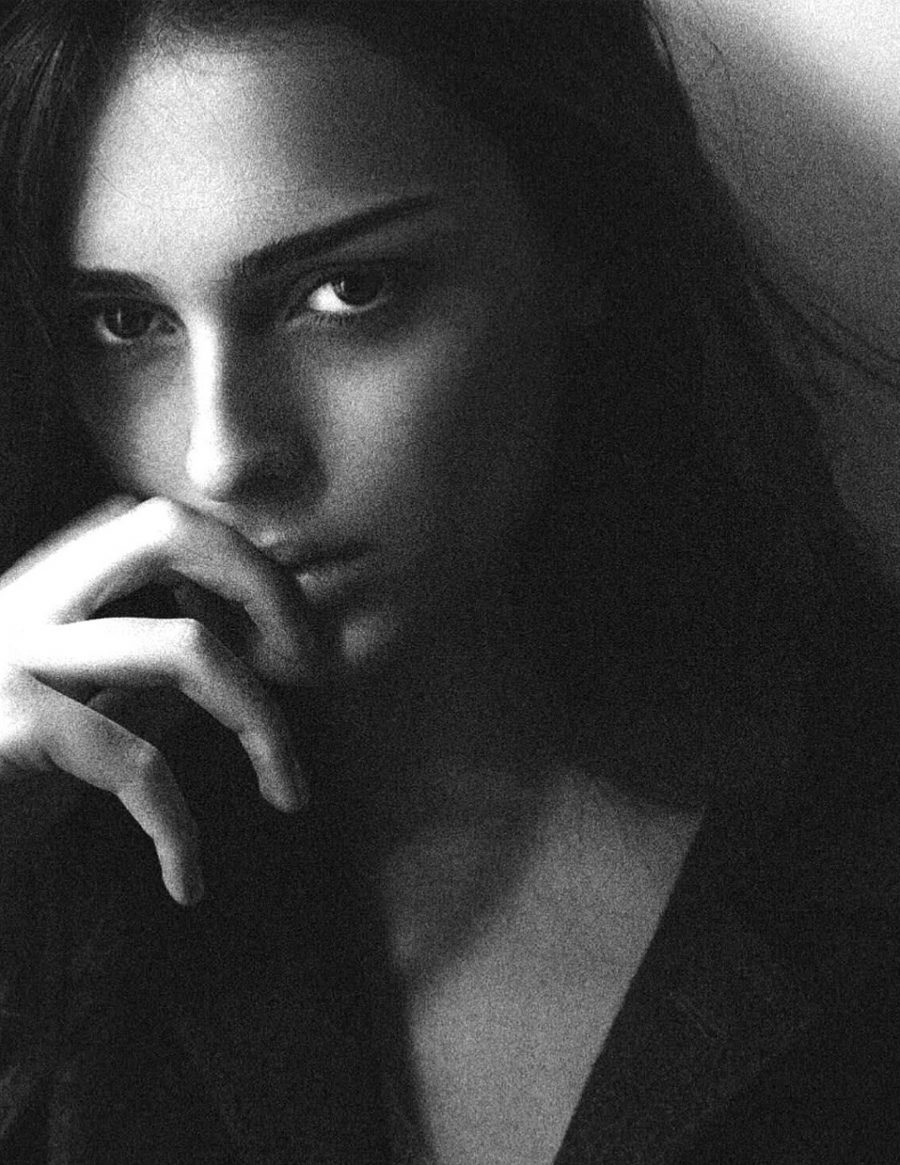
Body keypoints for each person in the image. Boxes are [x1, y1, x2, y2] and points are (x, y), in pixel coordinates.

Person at [0, 2, 898, 1162]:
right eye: (126, 322)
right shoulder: (60, 865)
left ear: (576, 238)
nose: (222, 455)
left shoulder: (851, 819)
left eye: (347, 292)